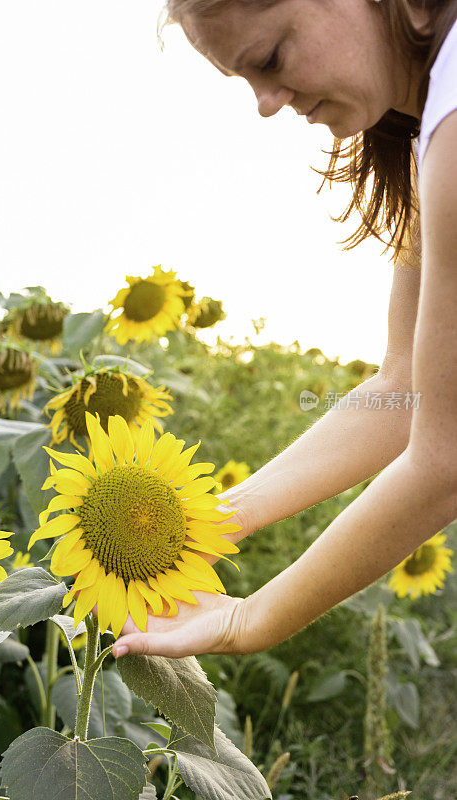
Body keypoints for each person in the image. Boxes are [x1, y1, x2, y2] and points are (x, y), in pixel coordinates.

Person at [111, 0, 457, 659]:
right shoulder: (428, 131)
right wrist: (198, 529)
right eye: (243, 79)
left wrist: (249, 618)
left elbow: (443, 458)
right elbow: (403, 388)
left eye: (269, 60)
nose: (266, 102)